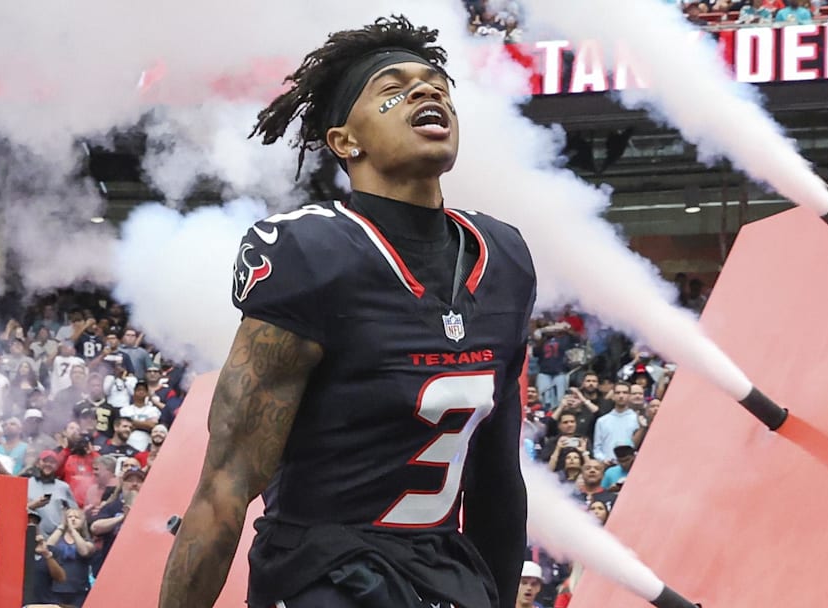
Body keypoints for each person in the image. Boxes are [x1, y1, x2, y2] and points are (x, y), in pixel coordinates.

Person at [160, 16, 535, 608]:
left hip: (441, 574)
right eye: (392, 87)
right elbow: (225, 486)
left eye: (437, 84)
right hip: (325, 575)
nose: (426, 90)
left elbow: (497, 483)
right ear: (344, 141)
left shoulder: (504, 257)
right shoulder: (310, 253)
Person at [46, 507, 95, 607]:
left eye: (77, 517)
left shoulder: (88, 541)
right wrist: (62, 527)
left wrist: (73, 530)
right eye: (70, 517)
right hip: (57, 588)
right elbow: (48, 547)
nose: (72, 519)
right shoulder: (58, 538)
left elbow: (84, 551)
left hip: (79, 590)